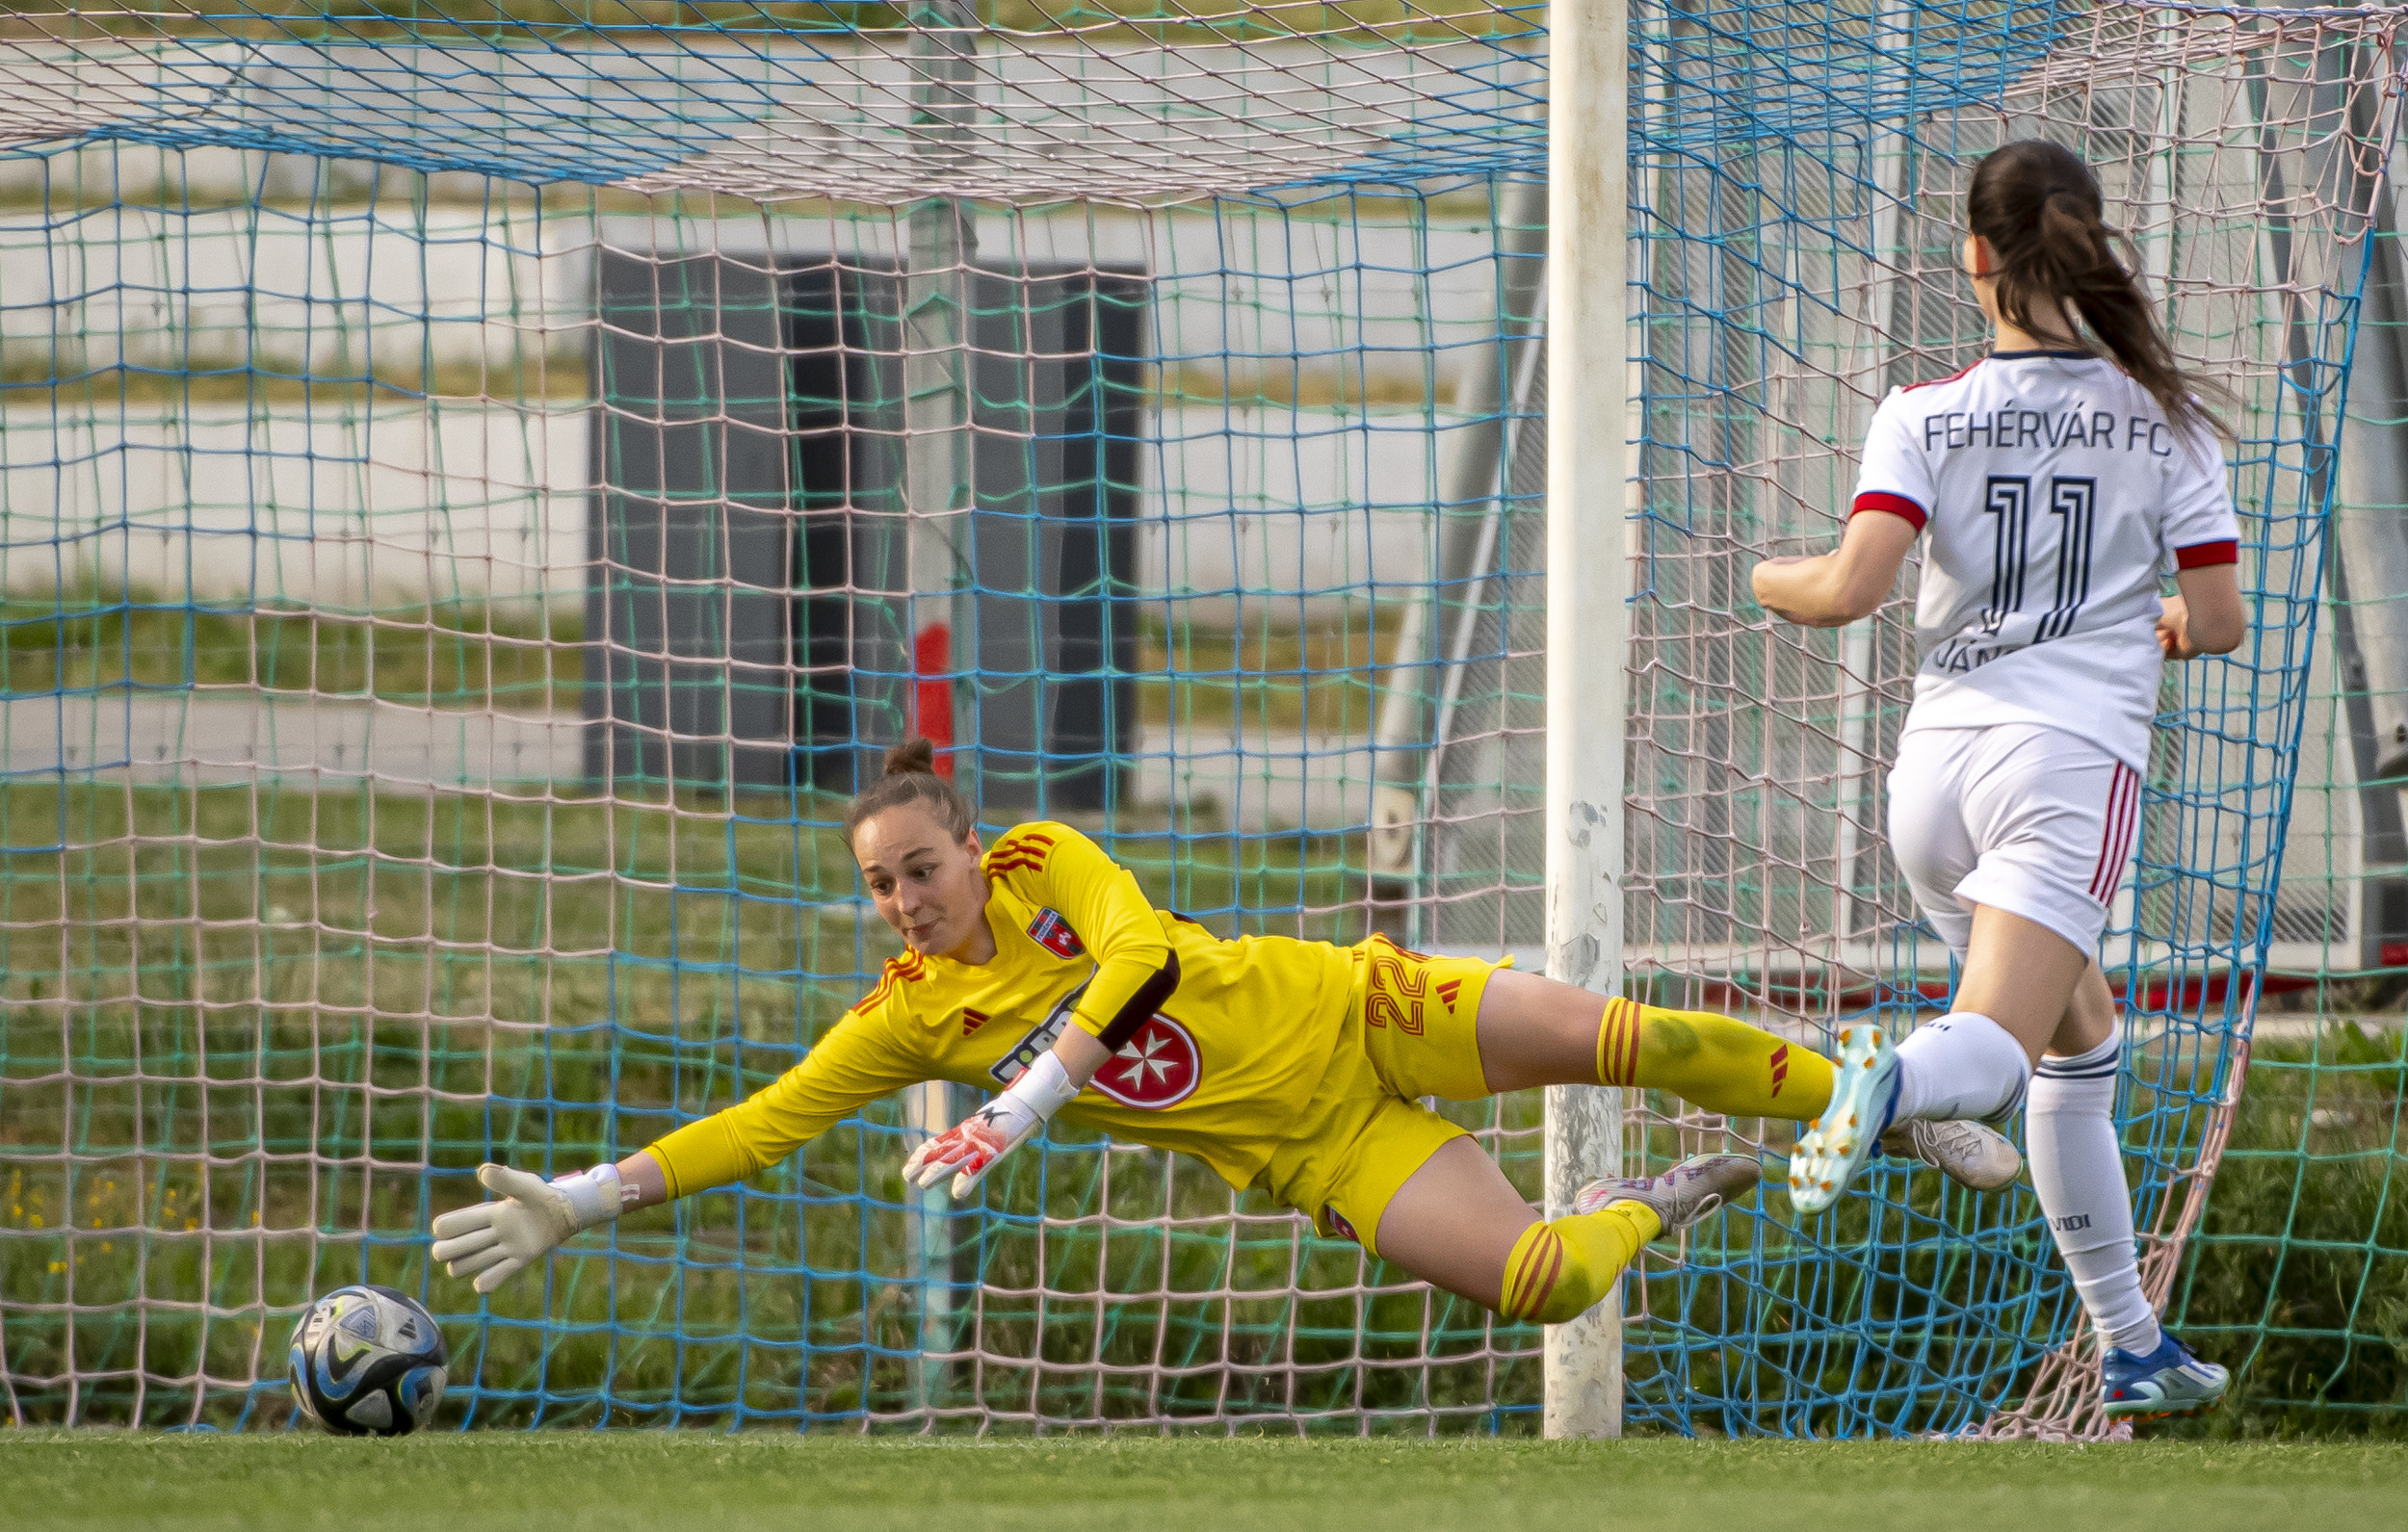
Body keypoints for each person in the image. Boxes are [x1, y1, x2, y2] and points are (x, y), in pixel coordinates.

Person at [431, 740, 2008, 1329]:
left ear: (970, 847)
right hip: (1317, 1145)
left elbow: (1139, 967)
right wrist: (583, 1198)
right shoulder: (908, 1020)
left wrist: (1029, 1100)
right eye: (880, 887)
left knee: (1636, 1037)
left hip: (1358, 1009)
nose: (904, 901)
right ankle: (1658, 1195)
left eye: (920, 868)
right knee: (1545, 1283)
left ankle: (1898, 1101)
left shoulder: (1050, 862)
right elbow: (767, 1121)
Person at [1751, 139, 2243, 1418]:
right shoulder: (2162, 414)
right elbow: (2219, 618)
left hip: (1932, 780)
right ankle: (1891, 1080)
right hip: (2062, 768)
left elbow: (1848, 590)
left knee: (2081, 1035)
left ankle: (2131, 1344)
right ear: (2092, 243)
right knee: (1996, 1048)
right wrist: (2167, 625)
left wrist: (1763, 575)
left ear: (1973, 253)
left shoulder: (1922, 410)